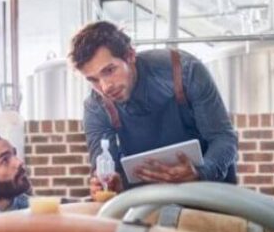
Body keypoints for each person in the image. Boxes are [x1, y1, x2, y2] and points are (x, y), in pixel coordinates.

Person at [69, 21, 238, 200]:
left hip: (212, 197)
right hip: (148, 204)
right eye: (93, 80)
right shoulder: (96, 106)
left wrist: (200, 172)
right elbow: (106, 171)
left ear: (130, 55)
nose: (105, 87)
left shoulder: (185, 70)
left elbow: (223, 138)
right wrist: (108, 185)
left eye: (109, 70)